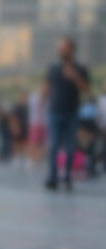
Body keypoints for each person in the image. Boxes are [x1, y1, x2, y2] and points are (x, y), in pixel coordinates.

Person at [44, 36, 92, 191]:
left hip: (72, 112)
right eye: (60, 48)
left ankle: (67, 178)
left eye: (64, 47)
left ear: (71, 49)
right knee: (54, 145)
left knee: (71, 145)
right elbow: (46, 88)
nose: (61, 50)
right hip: (55, 111)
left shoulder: (81, 69)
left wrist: (75, 77)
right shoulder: (53, 68)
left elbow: (86, 90)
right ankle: (53, 177)